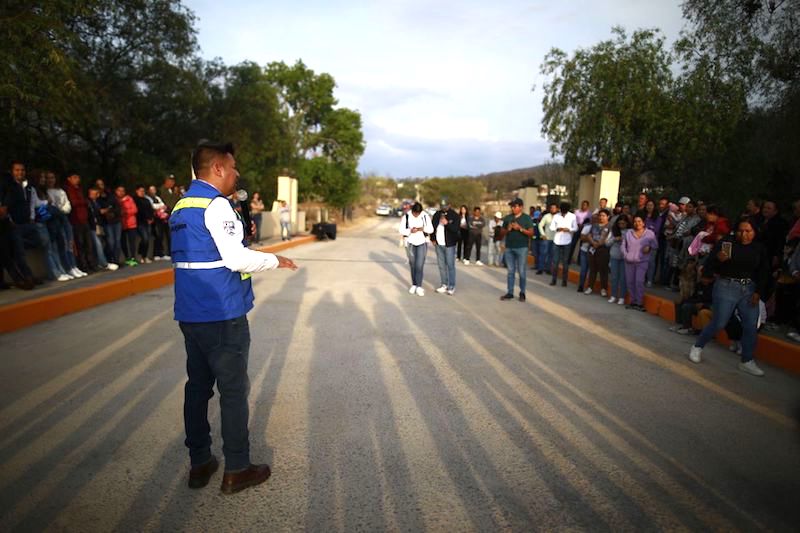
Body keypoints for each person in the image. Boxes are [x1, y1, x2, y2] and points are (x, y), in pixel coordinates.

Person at [172, 140, 297, 494]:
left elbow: (202, 251)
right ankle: (237, 468)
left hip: (190, 312)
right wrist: (275, 259)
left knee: (197, 388)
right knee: (232, 390)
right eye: (233, 167)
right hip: (222, 312)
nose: (237, 174)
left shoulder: (182, 205)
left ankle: (200, 463)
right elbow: (236, 259)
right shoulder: (216, 206)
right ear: (217, 169)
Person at [689, 220, 770, 376]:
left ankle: (747, 360)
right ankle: (697, 347)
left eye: (748, 231)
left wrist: (758, 292)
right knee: (720, 321)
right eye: (740, 231)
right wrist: (718, 262)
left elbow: (763, 271)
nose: (744, 234)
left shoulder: (759, 248)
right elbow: (710, 263)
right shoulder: (728, 243)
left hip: (749, 289)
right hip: (726, 285)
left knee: (750, 325)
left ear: (755, 232)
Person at [499, 198, 534, 301]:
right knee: (510, 271)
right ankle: (510, 292)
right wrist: (508, 229)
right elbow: (501, 233)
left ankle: (522, 292)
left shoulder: (526, 218)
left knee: (522, 271)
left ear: (521, 207)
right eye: (512, 206)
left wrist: (520, 229)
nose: (513, 208)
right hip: (509, 247)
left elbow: (531, 233)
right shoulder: (507, 218)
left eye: (515, 206)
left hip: (522, 248)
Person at [621, 214, 658, 311]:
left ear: (643, 223)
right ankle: (633, 301)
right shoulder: (629, 233)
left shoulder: (650, 233)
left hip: (642, 261)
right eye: (635, 221)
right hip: (629, 261)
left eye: (639, 221)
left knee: (639, 281)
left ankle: (639, 302)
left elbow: (655, 245)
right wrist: (626, 255)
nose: (637, 223)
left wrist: (649, 247)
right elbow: (623, 246)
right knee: (630, 282)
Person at [398, 202, 433, 295]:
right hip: (410, 243)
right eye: (415, 213)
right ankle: (414, 284)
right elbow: (401, 230)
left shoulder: (425, 216)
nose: (416, 215)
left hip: (422, 242)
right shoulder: (407, 216)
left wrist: (422, 229)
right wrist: (410, 230)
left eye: (418, 213)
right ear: (412, 211)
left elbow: (431, 229)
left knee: (419, 265)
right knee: (412, 264)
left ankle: (419, 286)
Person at [64, 173, 97, 273]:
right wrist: (82, 201)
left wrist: (83, 201)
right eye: (75, 177)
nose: (77, 179)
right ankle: (83, 265)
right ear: (69, 178)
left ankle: (91, 263)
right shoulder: (68, 189)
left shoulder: (80, 189)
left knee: (89, 244)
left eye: (78, 177)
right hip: (76, 220)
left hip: (85, 219)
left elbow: (85, 202)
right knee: (80, 244)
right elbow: (73, 202)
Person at [431, 198, 459, 295]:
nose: (443, 207)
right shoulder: (437, 214)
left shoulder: (454, 215)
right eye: (442, 206)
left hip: (449, 245)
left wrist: (447, 224)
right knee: (441, 266)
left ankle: (451, 286)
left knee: (450, 265)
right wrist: (433, 239)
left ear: (449, 205)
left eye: (445, 206)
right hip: (438, 244)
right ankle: (444, 284)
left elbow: (455, 229)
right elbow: (432, 227)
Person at [549, 202, 577, 287]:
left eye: (565, 211)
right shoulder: (556, 216)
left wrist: (568, 229)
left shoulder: (572, 216)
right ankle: (554, 279)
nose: (563, 213)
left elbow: (576, 228)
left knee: (565, 262)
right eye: (562, 211)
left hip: (567, 241)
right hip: (557, 241)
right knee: (555, 262)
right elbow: (551, 227)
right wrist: (557, 229)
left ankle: (564, 281)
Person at [585, 209, 611, 296]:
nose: (601, 217)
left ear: (608, 217)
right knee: (592, 269)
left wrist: (599, 244)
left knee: (603, 270)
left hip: (603, 250)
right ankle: (590, 287)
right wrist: (593, 243)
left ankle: (603, 289)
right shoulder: (594, 225)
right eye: (600, 215)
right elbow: (589, 235)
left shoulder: (610, 226)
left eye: (603, 216)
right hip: (593, 248)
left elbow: (608, 238)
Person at [96, 179, 122, 265]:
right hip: (106, 222)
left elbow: (116, 206)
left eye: (102, 184)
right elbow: (99, 211)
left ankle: (116, 260)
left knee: (117, 241)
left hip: (116, 220)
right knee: (110, 242)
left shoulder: (110, 195)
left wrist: (112, 211)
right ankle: (110, 259)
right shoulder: (97, 198)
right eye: (98, 185)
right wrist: (105, 211)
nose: (100, 186)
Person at [607, 214, 630, 304]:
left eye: (623, 224)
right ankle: (613, 295)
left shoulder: (630, 232)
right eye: (620, 223)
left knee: (623, 278)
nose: (621, 225)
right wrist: (614, 239)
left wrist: (624, 239)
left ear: (627, 223)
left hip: (625, 257)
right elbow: (607, 243)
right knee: (614, 277)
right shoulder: (613, 231)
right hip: (614, 256)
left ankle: (622, 297)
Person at [116, 186, 138, 266]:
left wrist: (125, 212)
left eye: (123, 191)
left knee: (132, 241)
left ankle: (133, 257)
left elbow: (134, 209)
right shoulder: (116, 200)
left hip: (131, 223)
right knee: (123, 242)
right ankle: (127, 257)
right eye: (119, 191)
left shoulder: (129, 199)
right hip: (122, 224)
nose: (121, 192)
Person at [147, 185, 169, 260]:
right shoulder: (148, 198)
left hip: (161, 219)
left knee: (161, 236)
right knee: (157, 237)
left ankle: (161, 253)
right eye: (151, 190)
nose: (153, 191)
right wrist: (160, 206)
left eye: (154, 189)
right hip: (155, 220)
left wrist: (160, 206)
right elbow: (153, 206)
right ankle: (156, 253)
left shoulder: (157, 197)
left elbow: (163, 205)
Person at [133, 185, 154, 263]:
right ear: (137, 191)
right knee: (144, 238)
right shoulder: (135, 200)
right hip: (140, 222)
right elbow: (138, 212)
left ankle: (144, 256)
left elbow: (150, 209)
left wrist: (151, 218)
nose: (142, 192)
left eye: (143, 191)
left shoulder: (146, 200)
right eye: (141, 191)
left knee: (147, 239)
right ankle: (140, 254)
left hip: (147, 222)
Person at [537, 203, 557, 275]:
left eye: (554, 208)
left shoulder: (559, 217)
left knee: (551, 255)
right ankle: (540, 269)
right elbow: (540, 225)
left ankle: (548, 269)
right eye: (551, 208)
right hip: (546, 238)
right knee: (543, 254)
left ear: (557, 209)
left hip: (555, 239)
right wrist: (543, 234)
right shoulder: (546, 216)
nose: (552, 209)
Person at [575, 214, 594, 292]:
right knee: (583, 269)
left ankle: (589, 287)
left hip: (593, 252)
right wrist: (591, 239)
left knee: (592, 270)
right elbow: (582, 238)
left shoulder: (600, 229)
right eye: (593, 218)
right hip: (584, 250)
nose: (595, 220)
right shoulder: (587, 227)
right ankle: (581, 285)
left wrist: (588, 238)